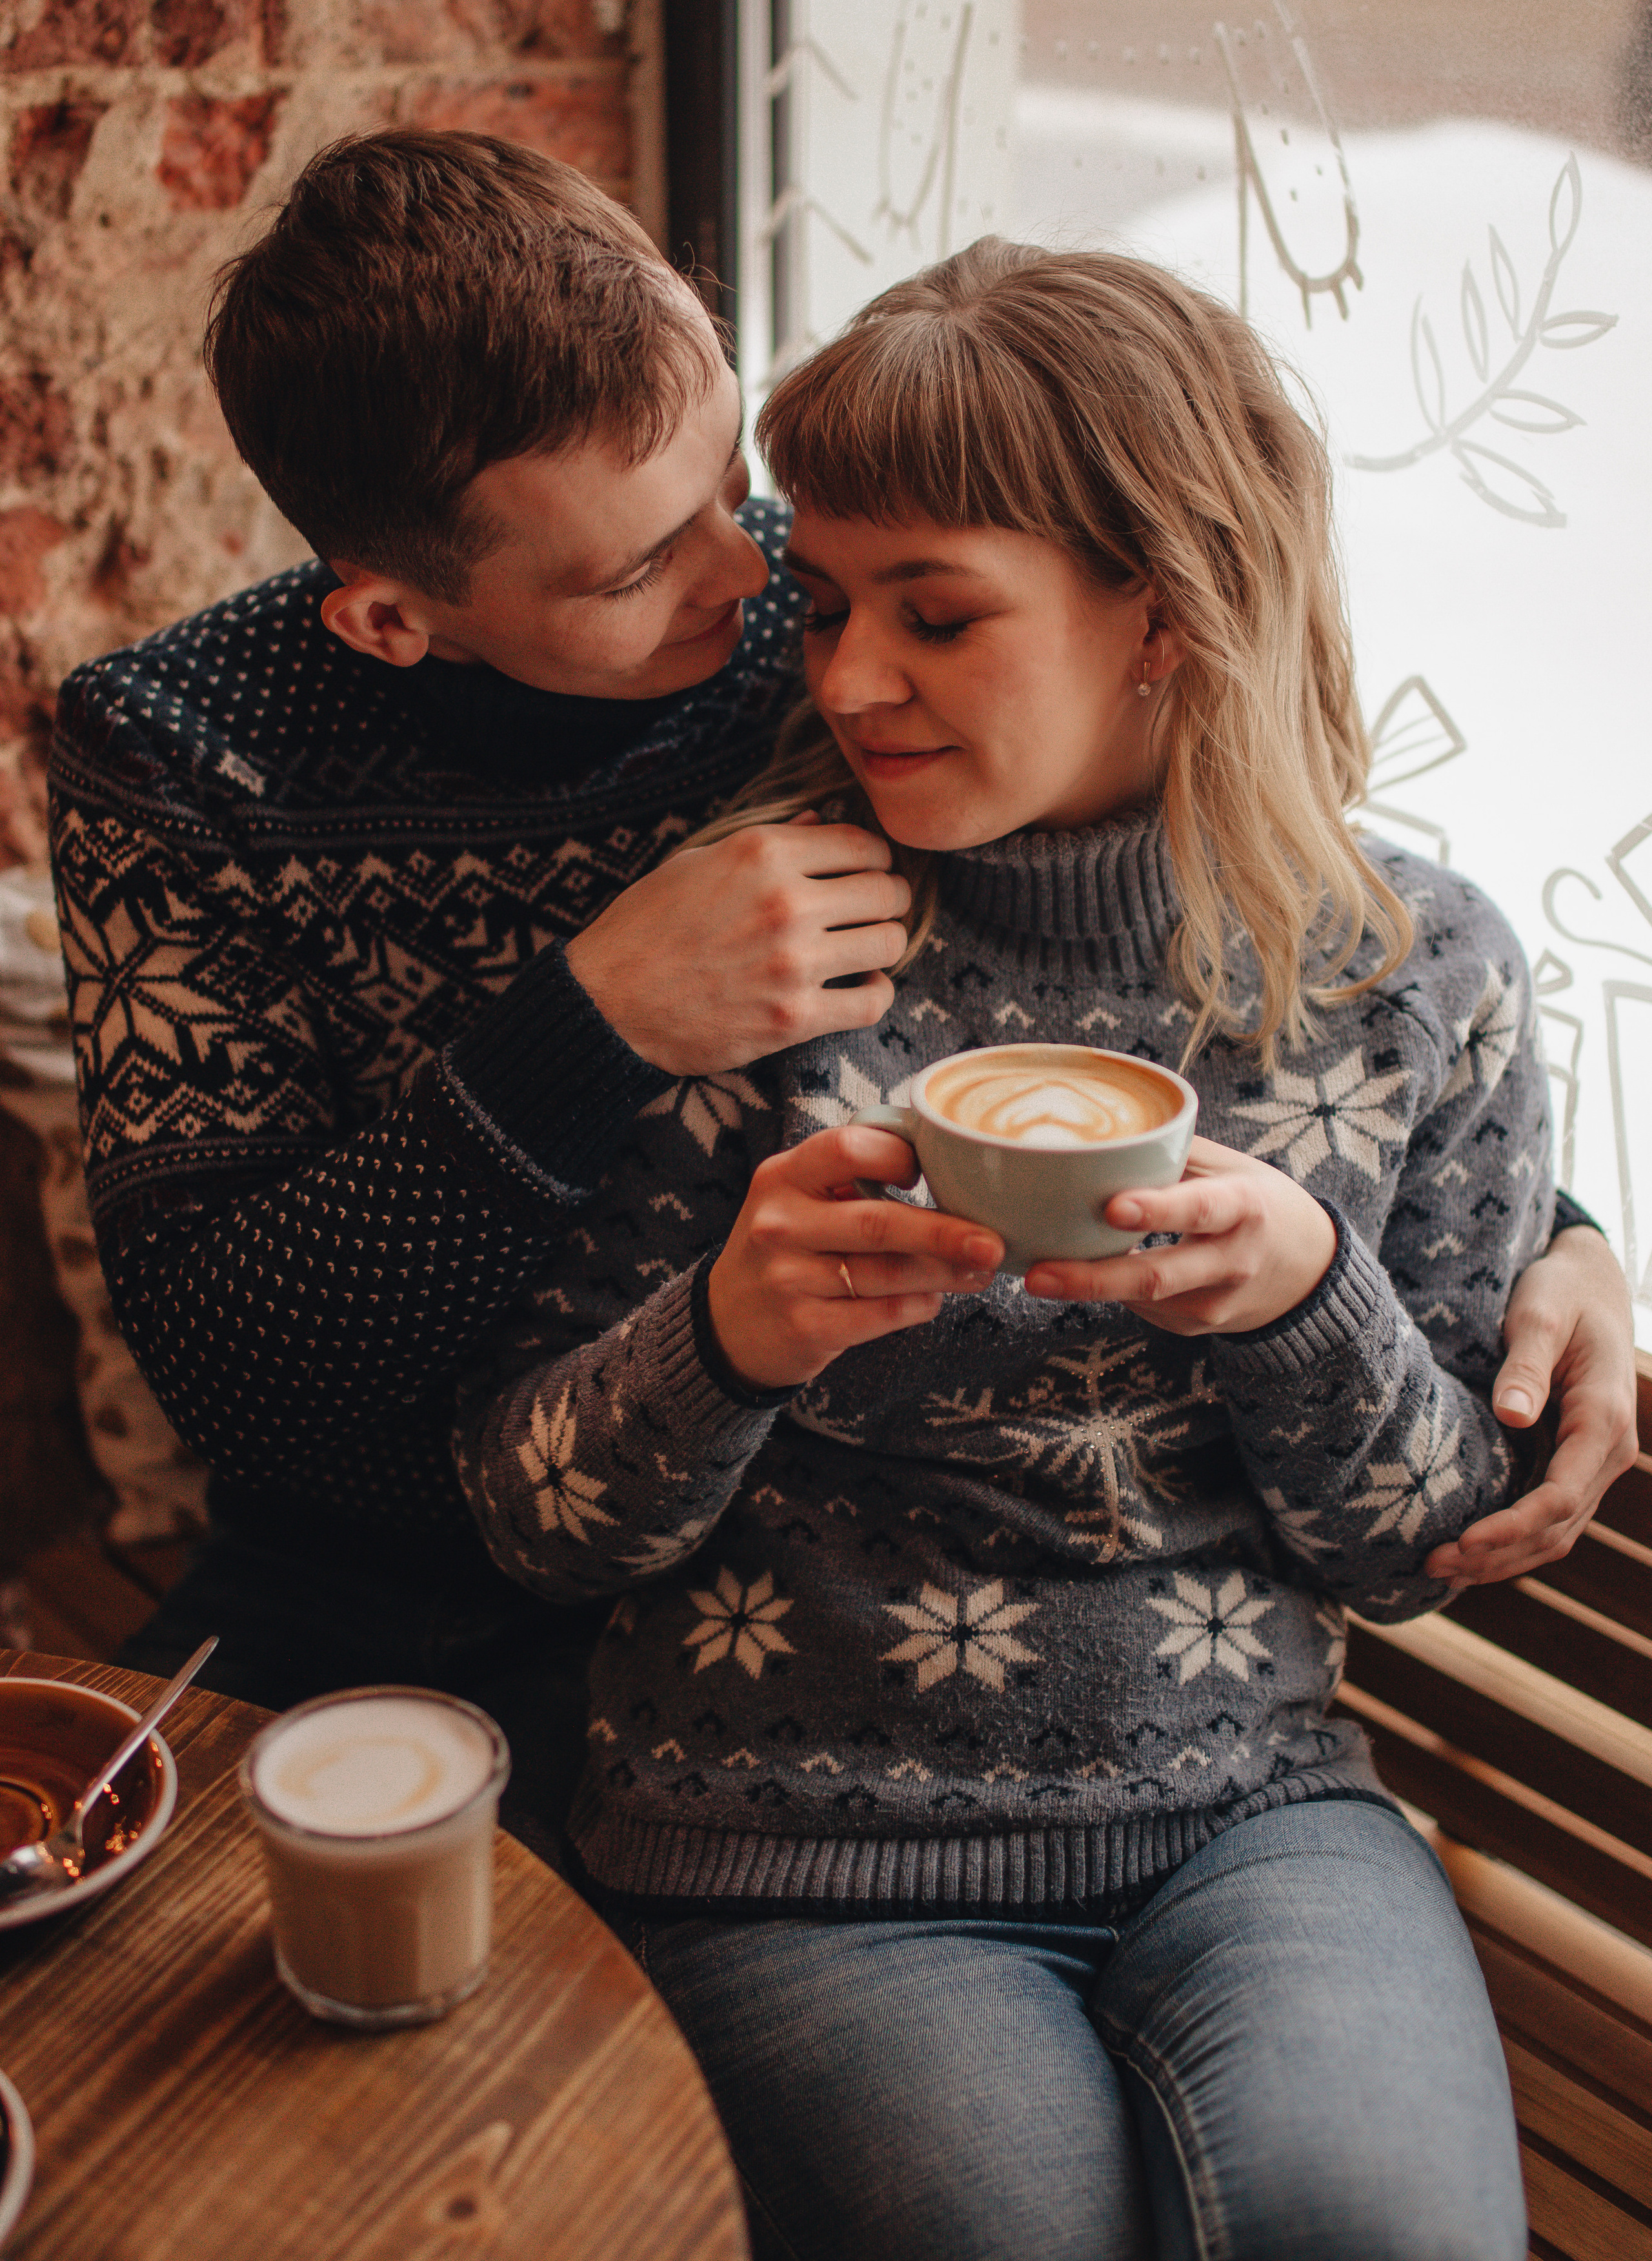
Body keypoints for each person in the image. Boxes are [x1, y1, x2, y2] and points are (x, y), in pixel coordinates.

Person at [46, 132, 1633, 1864]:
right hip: (397, 1587)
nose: (751, 584)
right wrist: (586, 1028)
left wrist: (1551, 1228)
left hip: (799, 1607)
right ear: (392, 619)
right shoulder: (186, 756)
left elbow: (1194, 926)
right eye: (644, 564)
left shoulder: (826, 624)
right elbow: (238, 1369)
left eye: (733, 484)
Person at [454, 241, 1576, 2261]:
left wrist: (1311, 1296)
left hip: (1254, 1817)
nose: (846, 677)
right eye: (828, 604)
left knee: (1384, 2252)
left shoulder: (1414, 980)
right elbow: (531, 1519)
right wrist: (727, 1338)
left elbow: (1418, 1552)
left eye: (937, 613)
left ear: (1165, 610)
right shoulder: (766, 943)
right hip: (793, 1839)